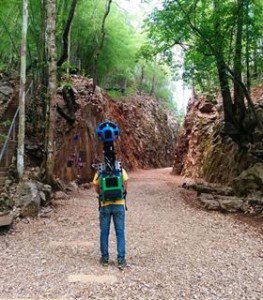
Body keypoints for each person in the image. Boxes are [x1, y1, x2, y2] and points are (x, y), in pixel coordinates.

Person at [93, 168, 128, 269]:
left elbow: (95, 185)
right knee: (120, 232)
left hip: (105, 205)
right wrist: (122, 193)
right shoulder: (120, 168)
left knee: (104, 232)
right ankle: (121, 260)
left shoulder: (100, 170)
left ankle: (105, 259)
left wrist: (102, 193)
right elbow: (125, 181)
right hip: (119, 204)